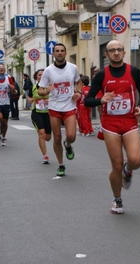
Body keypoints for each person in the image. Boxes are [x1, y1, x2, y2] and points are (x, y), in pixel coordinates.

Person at [84, 40, 140, 214]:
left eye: (119, 49)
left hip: (129, 122)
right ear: (107, 55)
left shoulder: (133, 71)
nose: (116, 53)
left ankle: (129, 170)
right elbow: (88, 100)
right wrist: (100, 100)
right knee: (116, 165)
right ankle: (117, 200)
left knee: (136, 161)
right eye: (112, 50)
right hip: (110, 124)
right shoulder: (101, 76)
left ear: (124, 53)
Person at [38, 43, 81, 177]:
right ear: (53, 54)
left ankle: (68, 145)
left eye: (62, 50)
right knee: (56, 137)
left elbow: (79, 82)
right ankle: (61, 165)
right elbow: (40, 90)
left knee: (71, 136)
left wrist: (77, 91)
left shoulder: (73, 68)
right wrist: (46, 92)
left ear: (66, 53)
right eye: (57, 51)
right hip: (54, 107)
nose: (60, 53)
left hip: (69, 105)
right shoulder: (48, 71)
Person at [27, 69, 52, 164]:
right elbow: (29, 96)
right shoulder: (33, 87)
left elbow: (57, 98)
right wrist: (29, 99)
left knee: (48, 137)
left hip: (48, 113)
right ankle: (45, 156)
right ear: (36, 77)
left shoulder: (50, 87)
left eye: (43, 75)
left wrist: (49, 102)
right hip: (36, 112)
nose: (41, 76)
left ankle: (44, 141)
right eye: (39, 75)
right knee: (42, 133)